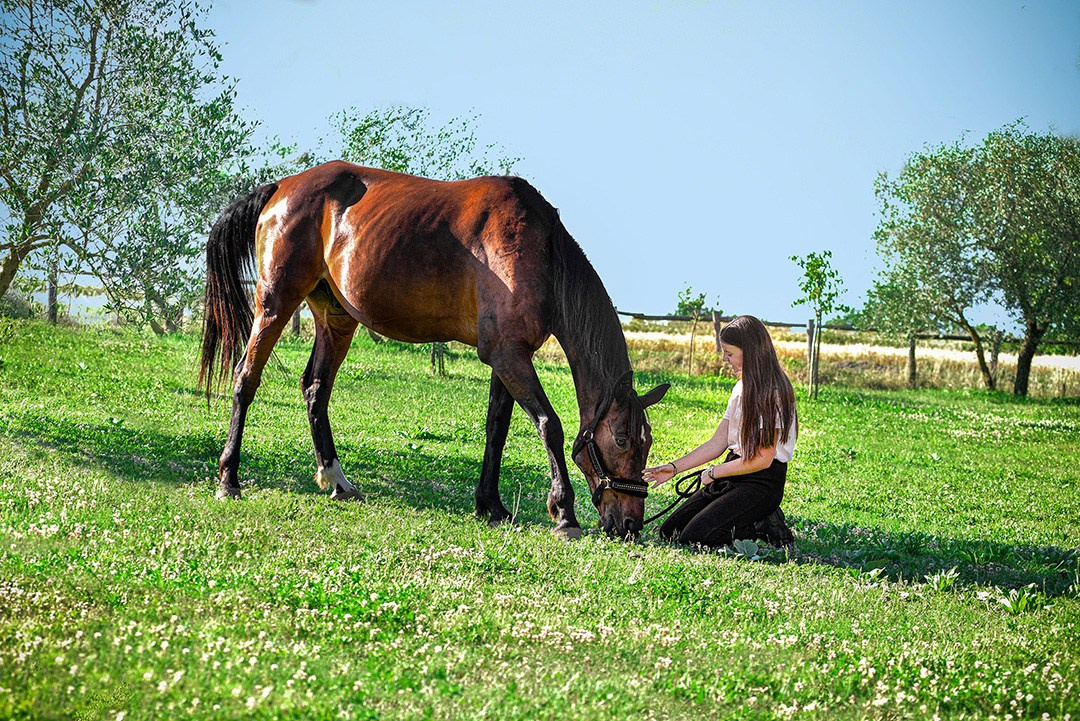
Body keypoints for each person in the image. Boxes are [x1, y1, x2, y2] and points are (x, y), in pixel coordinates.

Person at [642, 314, 797, 548]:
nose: (725, 359)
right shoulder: (740, 388)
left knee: (695, 537)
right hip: (733, 472)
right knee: (670, 531)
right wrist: (673, 469)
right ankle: (748, 520)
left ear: (751, 352)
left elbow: (762, 460)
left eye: (730, 353)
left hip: (761, 482)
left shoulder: (773, 392)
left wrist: (714, 473)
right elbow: (717, 443)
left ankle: (761, 523)